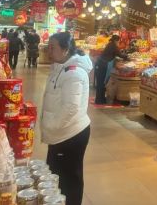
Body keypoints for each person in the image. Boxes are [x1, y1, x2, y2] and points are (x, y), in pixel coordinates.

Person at [41, 32, 92, 205]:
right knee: (59, 175)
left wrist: (51, 126)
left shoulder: (73, 73)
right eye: (48, 47)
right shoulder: (60, 67)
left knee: (69, 179)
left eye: (52, 47)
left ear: (66, 49)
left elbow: (70, 108)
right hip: (62, 132)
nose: (49, 51)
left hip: (69, 134)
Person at [94, 35, 128, 104]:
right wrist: (127, 56)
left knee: (100, 82)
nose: (118, 43)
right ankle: (99, 100)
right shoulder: (114, 46)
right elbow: (120, 55)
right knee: (102, 82)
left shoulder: (110, 44)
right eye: (118, 41)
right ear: (116, 41)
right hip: (102, 65)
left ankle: (100, 99)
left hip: (99, 64)